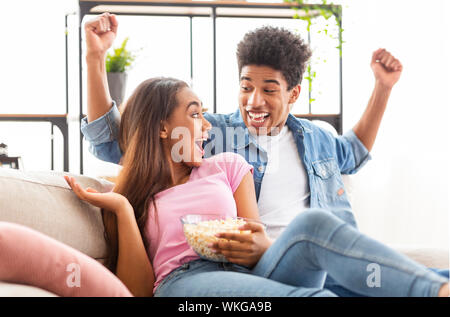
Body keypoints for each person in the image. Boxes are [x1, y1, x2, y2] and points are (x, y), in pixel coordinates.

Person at [80, 13, 448, 296]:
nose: (254, 101)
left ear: (294, 94)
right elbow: (119, 139)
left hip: (317, 261)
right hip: (251, 271)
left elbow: (354, 151)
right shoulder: (215, 135)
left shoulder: (316, 138)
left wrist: (382, 88)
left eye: (269, 90)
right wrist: (95, 60)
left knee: (429, 274)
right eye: (246, 87)